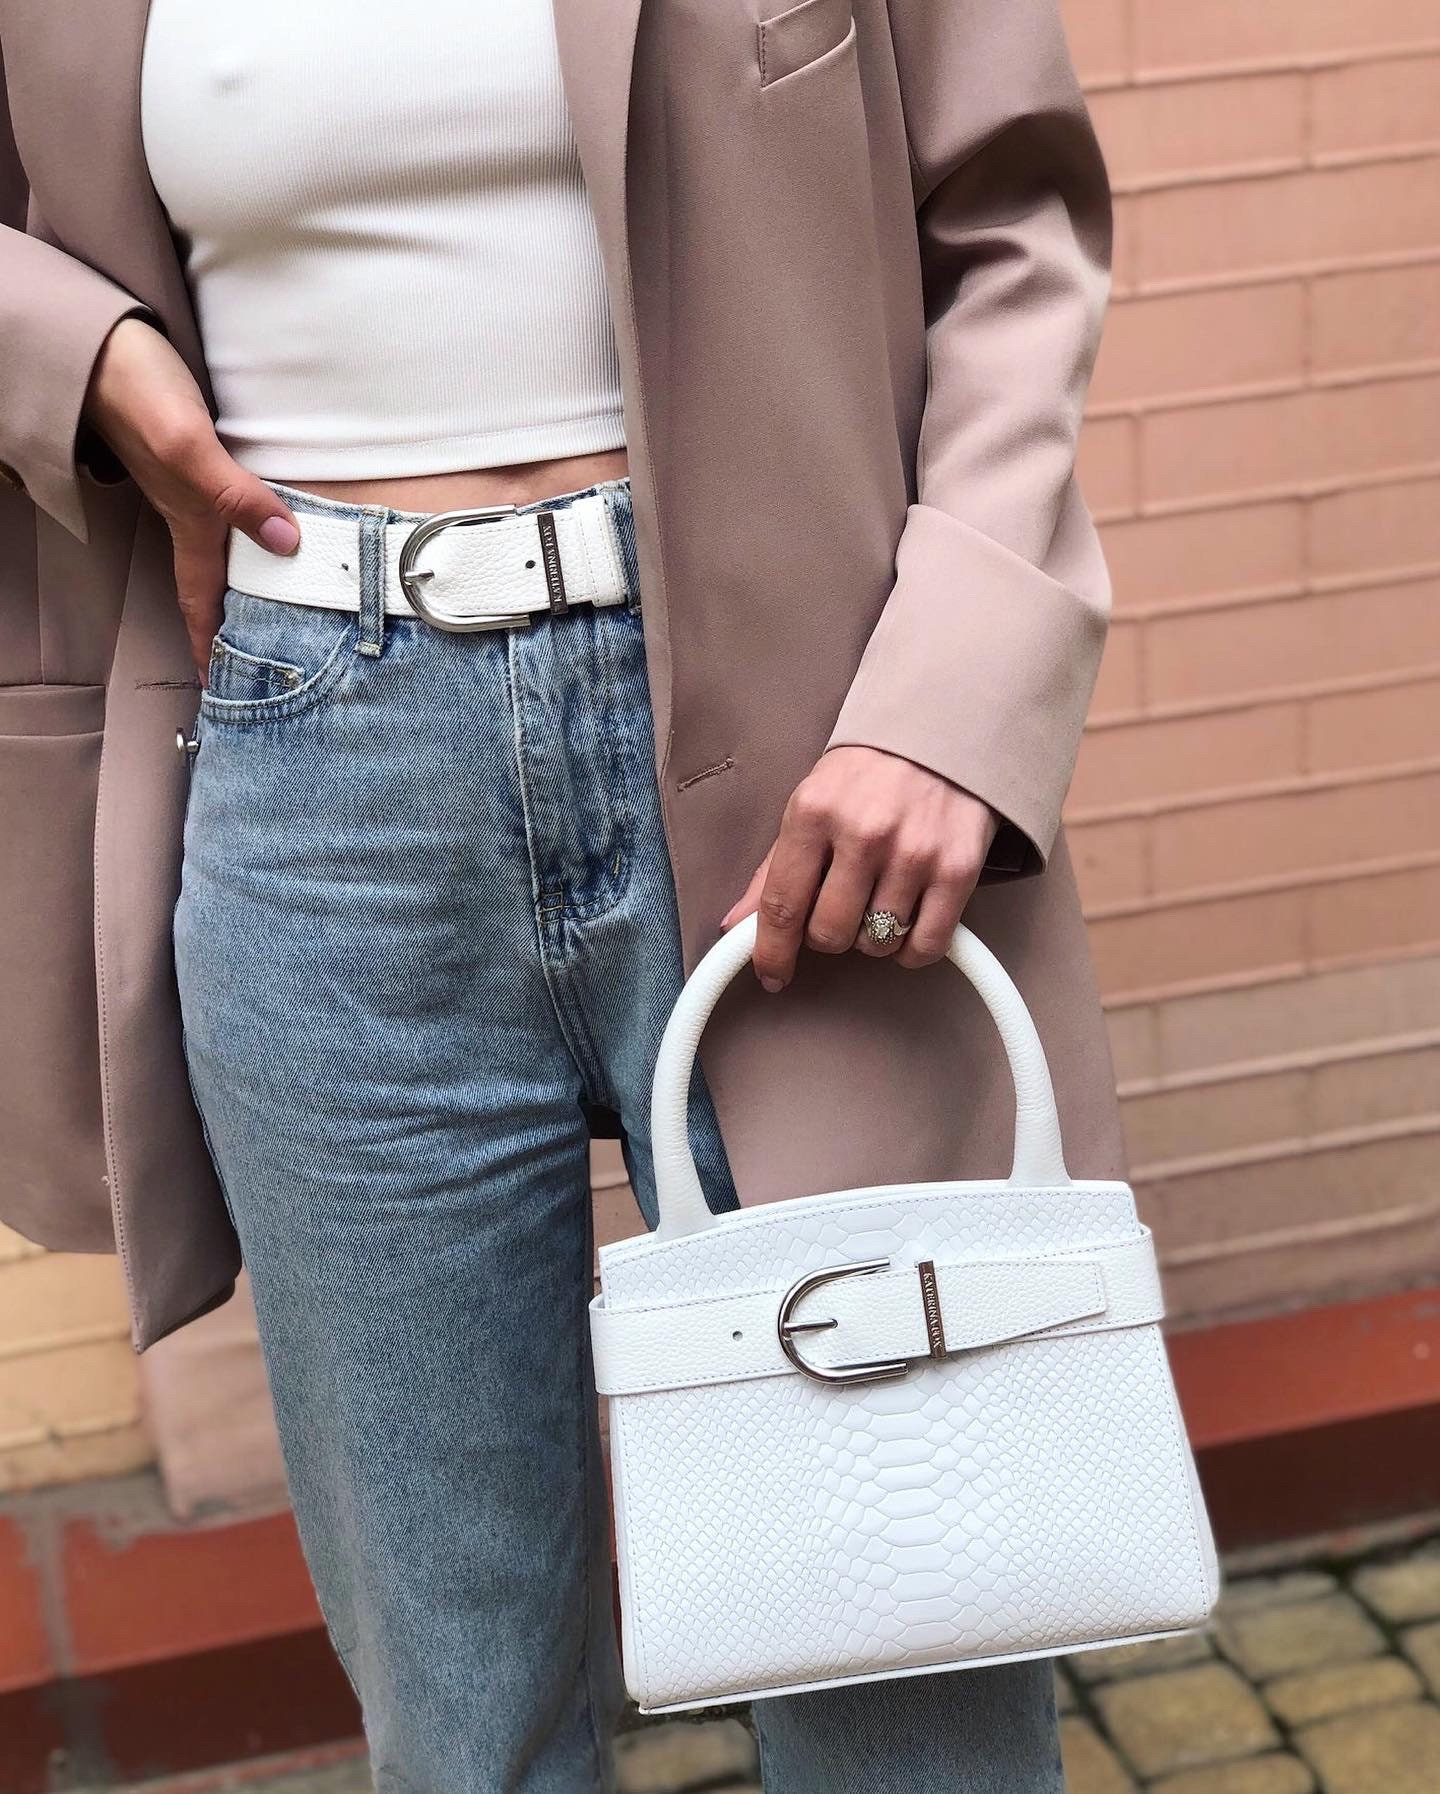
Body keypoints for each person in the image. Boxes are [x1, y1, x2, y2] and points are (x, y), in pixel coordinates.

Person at [0, 0, 1118, 1786]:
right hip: (320, 766)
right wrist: (77, 351)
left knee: (914, 1664)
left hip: (805, 749)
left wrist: (955, 693)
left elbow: (1013, 218)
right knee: (467, 1717)